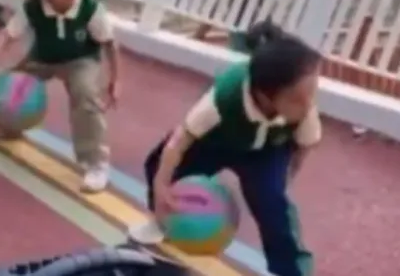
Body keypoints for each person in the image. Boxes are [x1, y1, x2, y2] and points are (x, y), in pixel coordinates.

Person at [127, 21, 321, 276]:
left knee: (275, 209)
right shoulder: (222, 100)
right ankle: (165, 221)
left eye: (312, 94)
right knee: (159, 166)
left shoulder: (304, 111)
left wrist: (283, 183)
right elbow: (178, 141)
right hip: (216, 141)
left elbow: (302, 150)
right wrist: (161, 187)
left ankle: (292, 271)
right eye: (297, 99)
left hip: (265, 152)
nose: (308, 105)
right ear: (266, 96)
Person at [0, 0, 120, 193]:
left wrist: (115, 81)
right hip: (42, 58)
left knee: (85, 94)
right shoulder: (33, 6)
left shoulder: (90, 7)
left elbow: (110, 45)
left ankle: (96, 162)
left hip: (81, 61)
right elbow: (7, 38)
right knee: (6, 81)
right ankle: (8, 127)